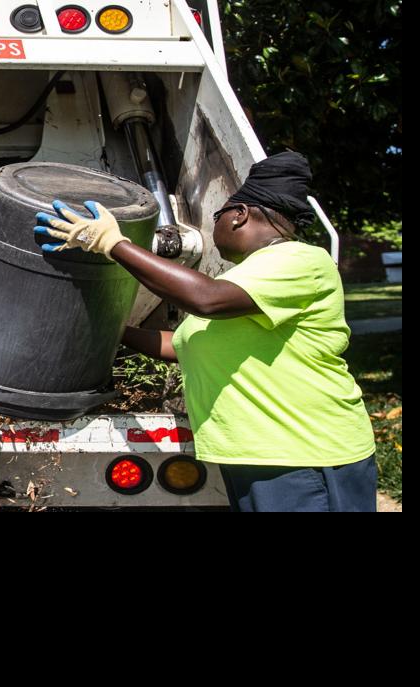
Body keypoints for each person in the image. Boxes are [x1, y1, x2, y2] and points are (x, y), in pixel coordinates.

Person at [34, 151, 377, 512]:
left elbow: (206, 299)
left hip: (304, 452)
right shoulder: (249, 279)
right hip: (260, 454)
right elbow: (178, 345)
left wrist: (114, 244)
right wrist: (109, 326)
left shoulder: (299, 260)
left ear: (240, 214)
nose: (214, 229)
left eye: (218, 216)